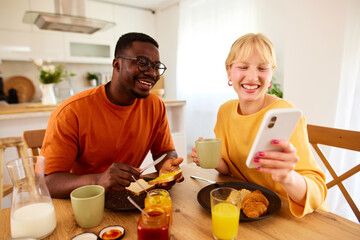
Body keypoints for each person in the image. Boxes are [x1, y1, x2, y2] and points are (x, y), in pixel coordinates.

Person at [192, 33, 327, 217]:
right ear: (229, 70)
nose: (252, 76)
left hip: (290, 215)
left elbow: (317, 192)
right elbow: (230, 168)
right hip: (247, 210)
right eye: (243, 67)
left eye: (262, 68)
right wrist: (212, 160)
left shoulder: (286, 114)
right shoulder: (225, 111)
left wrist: (288, 177)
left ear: (271, 73)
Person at [41, 32, 183, 198]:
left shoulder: (155, 105)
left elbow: (164, 151)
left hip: (128, 199)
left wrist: (167, 165)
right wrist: (98, 180)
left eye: (156, 66)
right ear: (117, 65)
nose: (152, 73)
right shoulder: (71, 112)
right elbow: (48, 183)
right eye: (143, 63)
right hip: (84, 201)